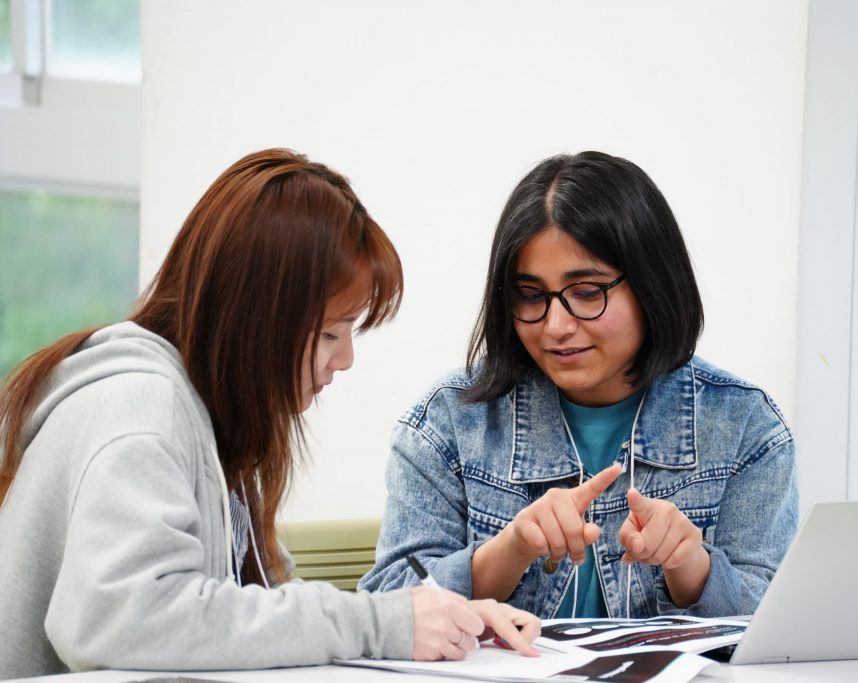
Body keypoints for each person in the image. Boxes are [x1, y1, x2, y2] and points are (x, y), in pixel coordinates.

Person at [0, 148, 539, 680]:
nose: (345, 359)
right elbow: (122, 619)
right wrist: (383, 624)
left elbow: (250, 618)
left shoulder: (208, 426)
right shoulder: (141, 406)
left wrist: (450, 619)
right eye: (330, 333)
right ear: (255, 318)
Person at [360, 151, 798, 621]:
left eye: (587, 292)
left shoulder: (745, 427)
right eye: (530, 295)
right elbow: (387, 609)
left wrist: (690, 566)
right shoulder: (447, 422)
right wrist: (512, 548)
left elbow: (779, 628)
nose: (556, 326)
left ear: (653, 285)